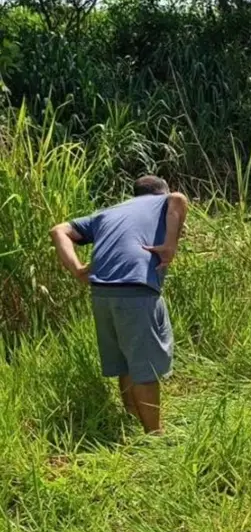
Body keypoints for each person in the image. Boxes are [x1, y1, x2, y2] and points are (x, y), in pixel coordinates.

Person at [49, 176, 189, 435]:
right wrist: (171, 245)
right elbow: (178, 200)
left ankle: (132, 419)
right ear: (161, 192)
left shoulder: (108, 212)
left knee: (126, 360)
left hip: (102, 293)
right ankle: (154, 438)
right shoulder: (163, 201)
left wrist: (78, 270)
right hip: (135, 290)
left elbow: (59, 230)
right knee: (146, 367)